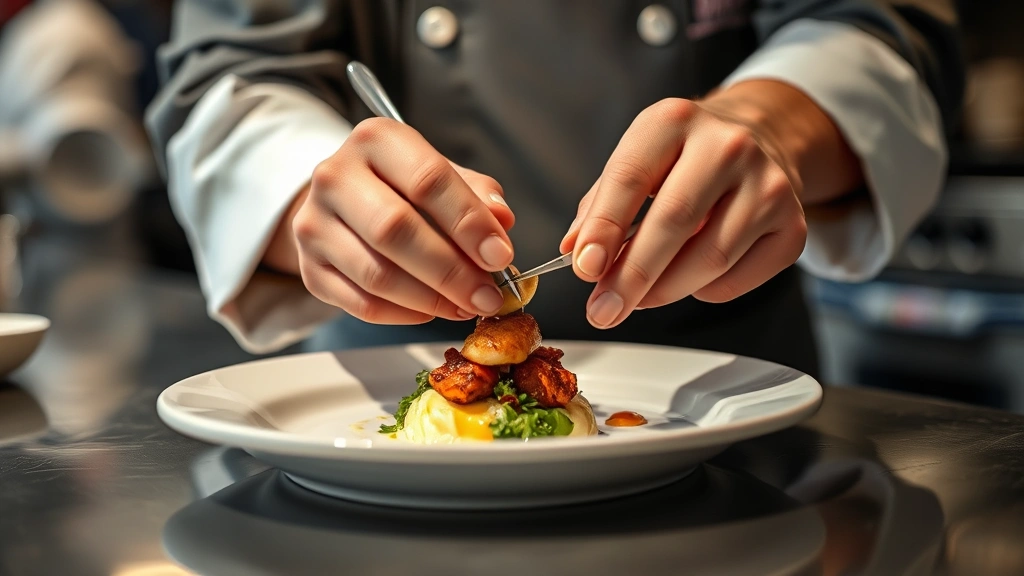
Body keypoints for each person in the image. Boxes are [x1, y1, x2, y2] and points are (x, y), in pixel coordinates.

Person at [146, 1, 962, 377]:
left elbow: (881, 27)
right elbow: (229, 73)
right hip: (385, 432)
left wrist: (769, 126)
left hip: (730, 414)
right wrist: (309, 197)